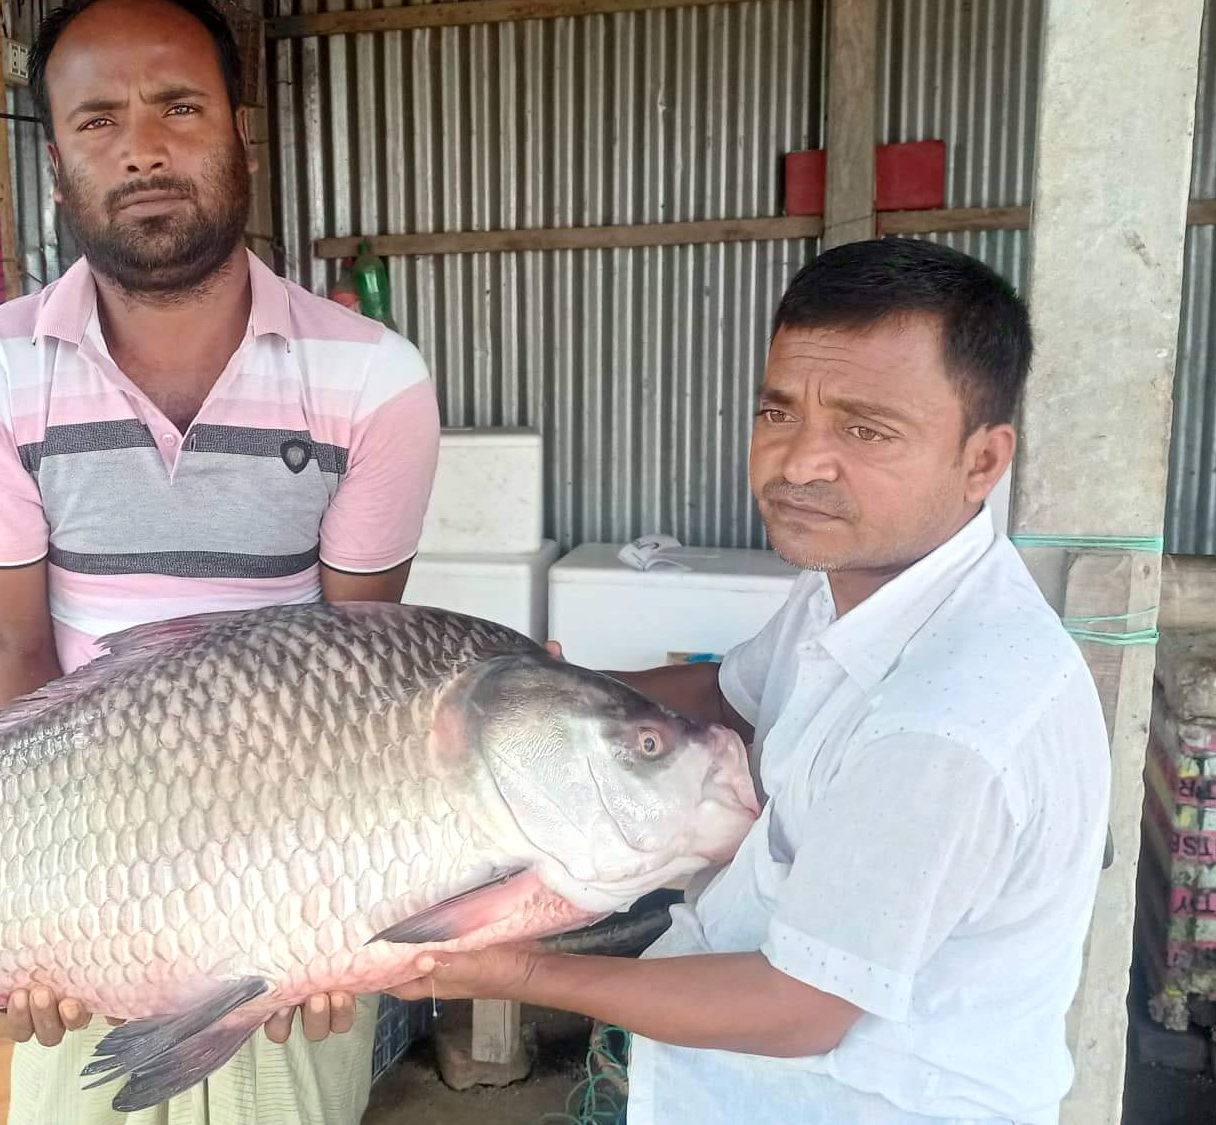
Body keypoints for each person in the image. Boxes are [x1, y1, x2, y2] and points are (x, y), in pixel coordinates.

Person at [384, 238, 1112, 1125]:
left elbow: (798, 1007)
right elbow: (729, 695)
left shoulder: (948, 721)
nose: (800, 462)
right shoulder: (851, 584)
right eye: (779, 413)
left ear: (982, 461)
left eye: (865, 428)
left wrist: (520, 971)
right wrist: (539, 697)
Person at [0, 0, 440, 1120]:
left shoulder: (373, 380)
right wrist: (27, 902)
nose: (142, 147)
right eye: (97, 120)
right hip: (79, 853)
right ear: (55, 162)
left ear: (240, 132)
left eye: (178, 106)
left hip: (287, 873)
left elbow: (361, 679)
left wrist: (330, 912)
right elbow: (9, 646)